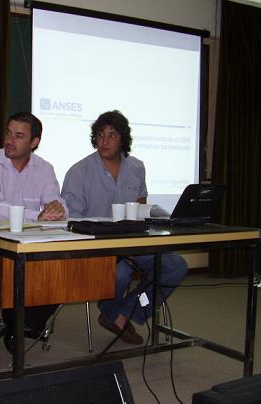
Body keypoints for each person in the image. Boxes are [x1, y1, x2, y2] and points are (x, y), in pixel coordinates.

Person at [61, 110, 188, 345]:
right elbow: (71, 223)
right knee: (119, 274)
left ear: (123, 139)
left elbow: (141, 206)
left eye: (112, 135)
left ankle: (122, 315)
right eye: (101, 134)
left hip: (133, 244)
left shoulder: (137, 167)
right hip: (97, 247)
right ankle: (114, 313)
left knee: (175, 265)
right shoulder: (79, 171)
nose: (105, 140)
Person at [0, 112, 68, 352]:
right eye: (8, 133)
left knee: (62, 270)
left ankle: (23, 324)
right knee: (20, 271)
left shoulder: (44, 168)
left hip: (31, 242)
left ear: (34, 142)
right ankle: (19, 323)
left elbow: (56, 203)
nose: (9, 140)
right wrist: (38, 216)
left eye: (18, 136)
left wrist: (57, 209)